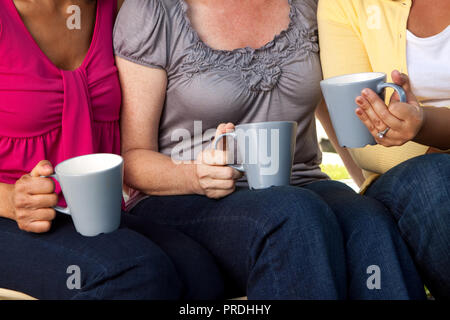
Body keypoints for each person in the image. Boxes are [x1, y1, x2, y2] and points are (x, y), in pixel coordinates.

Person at [114, 0, 425, 299]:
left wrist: (362, 179)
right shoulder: (152, 11)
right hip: (186, 196)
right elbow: (133, 158)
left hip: (301, 184)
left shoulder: (307, 6)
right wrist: (195, 176)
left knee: (369, 220)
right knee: (291, 213)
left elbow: (329, 106)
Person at [0, 0, 223, 300]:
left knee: (200, 273)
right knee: (134, 272)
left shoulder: (115, 8)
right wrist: (12, 201)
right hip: (10, 219)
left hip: (90, 216)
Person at [318, 0, 450, 299]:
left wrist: (430, 127)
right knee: (435, 182)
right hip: (407, 183)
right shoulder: (347, 5)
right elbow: (362, 139)